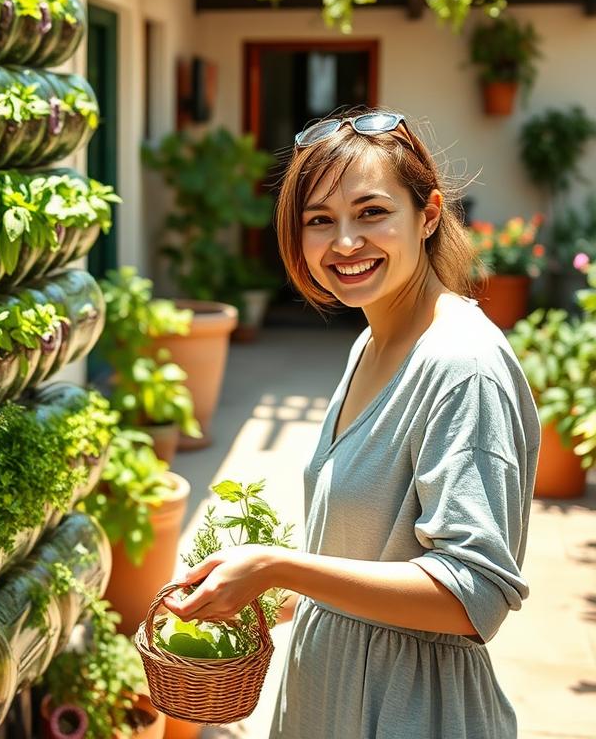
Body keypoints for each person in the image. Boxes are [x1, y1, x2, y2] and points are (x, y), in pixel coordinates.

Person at [162, 109, 539, 739]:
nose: (343, 243)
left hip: (408, 710)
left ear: (428, 215)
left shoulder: (463, 365)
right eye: (319, 220)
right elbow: (367, 553)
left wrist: (280, 566)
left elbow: (476, 593)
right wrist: (259, 596)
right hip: (331, 697)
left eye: (371, 213)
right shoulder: (370, 343)